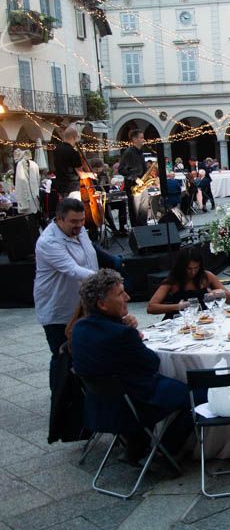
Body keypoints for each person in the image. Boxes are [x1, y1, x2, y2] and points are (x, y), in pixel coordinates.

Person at [72, 269, 195, 465]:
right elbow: (152, 364)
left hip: (99, 405)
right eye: (120, 294)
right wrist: (130, 332)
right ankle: (165, 451)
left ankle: (137, 445)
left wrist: (122, 326)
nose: (127, 297)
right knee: (197, 393)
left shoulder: (79, 328)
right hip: (132, 407)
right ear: (102, 304)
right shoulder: (121, 334)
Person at [34, 198, 99, 388]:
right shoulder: (48, 242)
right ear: (59, 219)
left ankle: (82, 395)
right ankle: (59, 399)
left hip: (82, 303)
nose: (79, 225)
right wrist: (104, 280)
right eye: (73, 221)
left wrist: (112, 261)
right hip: (58, 309)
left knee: (84, 353)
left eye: (81, 220)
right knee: (62, 357)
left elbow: (90, 254)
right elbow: (72, 269)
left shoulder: (79, 229)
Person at [147, 247, 230, 319]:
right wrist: (178, 306)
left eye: (196, 268)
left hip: (205, 319)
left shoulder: (207, 276)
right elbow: (151, 308)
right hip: (181, 320)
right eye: (189, 269)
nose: (193, 272)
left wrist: (219, 293)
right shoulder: (172, 280)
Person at [119, 129, 148, 227]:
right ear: (135, 139)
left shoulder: (140, 153)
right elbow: (121, 170)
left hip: (142, 185)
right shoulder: (128, 152)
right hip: (133, 186)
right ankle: (137, 232)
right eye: (141, 138)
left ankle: (144, 230)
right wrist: (135, 178)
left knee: (143, 213)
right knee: (135, 214)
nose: (143, 140)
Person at [53, 126, 85, 200]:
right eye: (77, 137)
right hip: (72, 188)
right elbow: (81, 174)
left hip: (60, 186)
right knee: (73, 206)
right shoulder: (73, 152)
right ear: (73, 137)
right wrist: (92, 174)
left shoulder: (57, 149)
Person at [14, 148, 41, 216]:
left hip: (26, 195)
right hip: (35, 194)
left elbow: (21, 180)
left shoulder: (20, 164)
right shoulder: (35, 164)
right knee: (36, 212)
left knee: (28, 215)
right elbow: (38, 179)